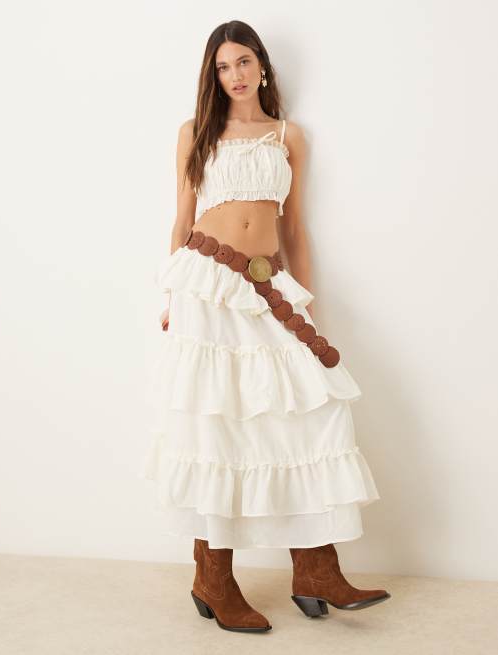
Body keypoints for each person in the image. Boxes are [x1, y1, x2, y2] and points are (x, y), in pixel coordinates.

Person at [141, 20, 390, 633]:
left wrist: (307, 301)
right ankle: (213, 577)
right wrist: (173, 294)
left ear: (262, 65)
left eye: (244, 62)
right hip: (208, 281)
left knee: (309, 415)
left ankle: (316, 570)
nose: (235, 75)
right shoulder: (195, 133)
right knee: (217, 426)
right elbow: (181, 219)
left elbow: (295, 226)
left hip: (270, 286)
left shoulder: (288, 136)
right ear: (213, 75)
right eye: (223, 67)